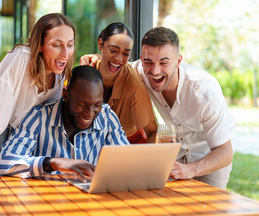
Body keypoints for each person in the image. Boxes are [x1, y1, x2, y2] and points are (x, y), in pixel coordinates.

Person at [81, 26, 234, 189]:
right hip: (177, 155)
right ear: (141, 59)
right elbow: (118, 64)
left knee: (209, 210)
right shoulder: (140, 71)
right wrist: (98, 57)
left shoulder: (204, 92)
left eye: (164, 62)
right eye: (149, 62)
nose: (155, 71)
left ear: (178, 61)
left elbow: (224, 152)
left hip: (209, 157)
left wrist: (190, 170)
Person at [0, 13, 76, 184]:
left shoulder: (59, 76)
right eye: (56, 45)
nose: (65, 53)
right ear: (40, 45)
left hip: (10, 143)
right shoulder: (21, 59)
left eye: (70, 45)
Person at [0, 65, 129, 181]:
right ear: (65, 95)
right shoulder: (39, 118)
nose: (89, 113)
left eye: (97, 105)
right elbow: (4, 162)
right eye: (82, 104)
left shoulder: (107, 117)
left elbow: (129, 162)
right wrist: (52, 163)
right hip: (44, 202)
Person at [90, 22, 157, 143]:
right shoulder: (87, 72)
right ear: (101, 44)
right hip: (93, 142)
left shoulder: (135, 86)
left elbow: (152, 131)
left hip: (129, 143)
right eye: (113, 50)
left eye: (126, 54)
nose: (119, 59)